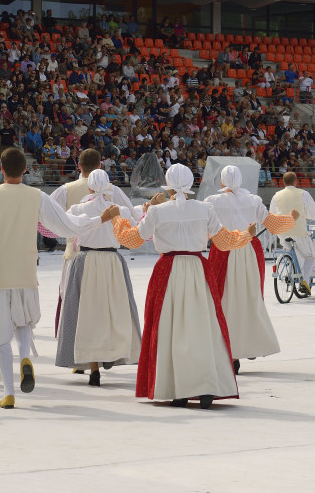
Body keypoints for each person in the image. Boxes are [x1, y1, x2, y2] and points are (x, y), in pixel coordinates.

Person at [0, 148, 118, 409]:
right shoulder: (36, 196)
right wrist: (100, 218)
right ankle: (25, 358)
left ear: (1, 170)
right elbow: (66, 225)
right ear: (25, 170)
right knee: (23, 324)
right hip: (26, 271)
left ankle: (8, 392)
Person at [110, 164, 260, 408]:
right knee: (203, 328)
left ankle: (176, 388)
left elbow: (132, 239)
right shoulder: (205, 208)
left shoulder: (158, 212)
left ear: (167, 185)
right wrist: (246, 235)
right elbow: (225, 242)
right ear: (190, 184)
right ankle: (206, 387)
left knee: (169, 328)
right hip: (198, 269)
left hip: (168, 270)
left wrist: (117, 219)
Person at [54, 169, 142, 387]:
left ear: (89, 187)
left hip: (86, 259)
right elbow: (136, 221)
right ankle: (111, 354)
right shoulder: (119, 210)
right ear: (109, 185)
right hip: (112, 261)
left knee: (87, 312)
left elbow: (68, 227)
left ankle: (92, 365)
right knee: (113, 311)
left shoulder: (78, 208)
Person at [205, 165, 297, 372]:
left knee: (223, 299)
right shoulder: (253, 200)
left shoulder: (212, 201)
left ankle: (229, 351)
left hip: (224, 248)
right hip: (249, 250)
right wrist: (291, 219)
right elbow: (273, 225)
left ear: (221, 182)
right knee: (251, 298)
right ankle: (251, 342)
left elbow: (203, 226)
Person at [45, 148, 109, 339]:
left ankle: (71, 343)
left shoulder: (66, 190)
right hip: (105, 255)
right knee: (100, 301)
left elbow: (47, 219)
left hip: (74, 254)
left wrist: (64, 234)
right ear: (100, 167)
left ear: (79, 166)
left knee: (71, 300)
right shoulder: (113, 190)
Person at [269, 171, 315, 295]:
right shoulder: (303, 194)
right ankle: (305, 282)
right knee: (311, 256)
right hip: (299, 232)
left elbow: (272, 213)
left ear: (283, 182)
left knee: (291, 252)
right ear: (295, 181)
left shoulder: (276, 195)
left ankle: (290, 271)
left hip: (282, 233)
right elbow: (314, 212)